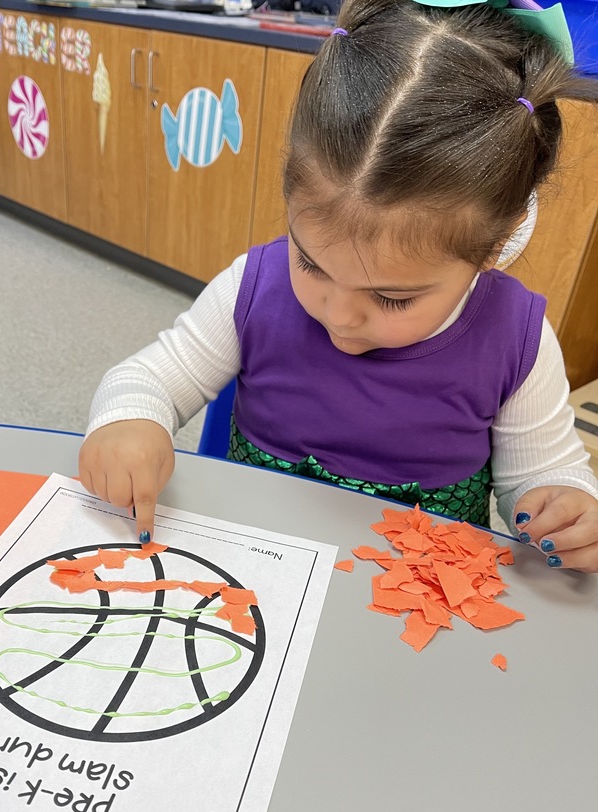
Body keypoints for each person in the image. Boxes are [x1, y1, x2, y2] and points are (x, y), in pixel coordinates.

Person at [80, 0, 598, 572]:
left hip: (418, 596)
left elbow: (546, 475)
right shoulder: (252, 289)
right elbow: (149, 379)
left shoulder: (517, 340)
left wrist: (565, 508)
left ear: (493, 248)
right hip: (255, 573)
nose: (340, 315)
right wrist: (130, 420)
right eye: (311, 264)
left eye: (392, 298)